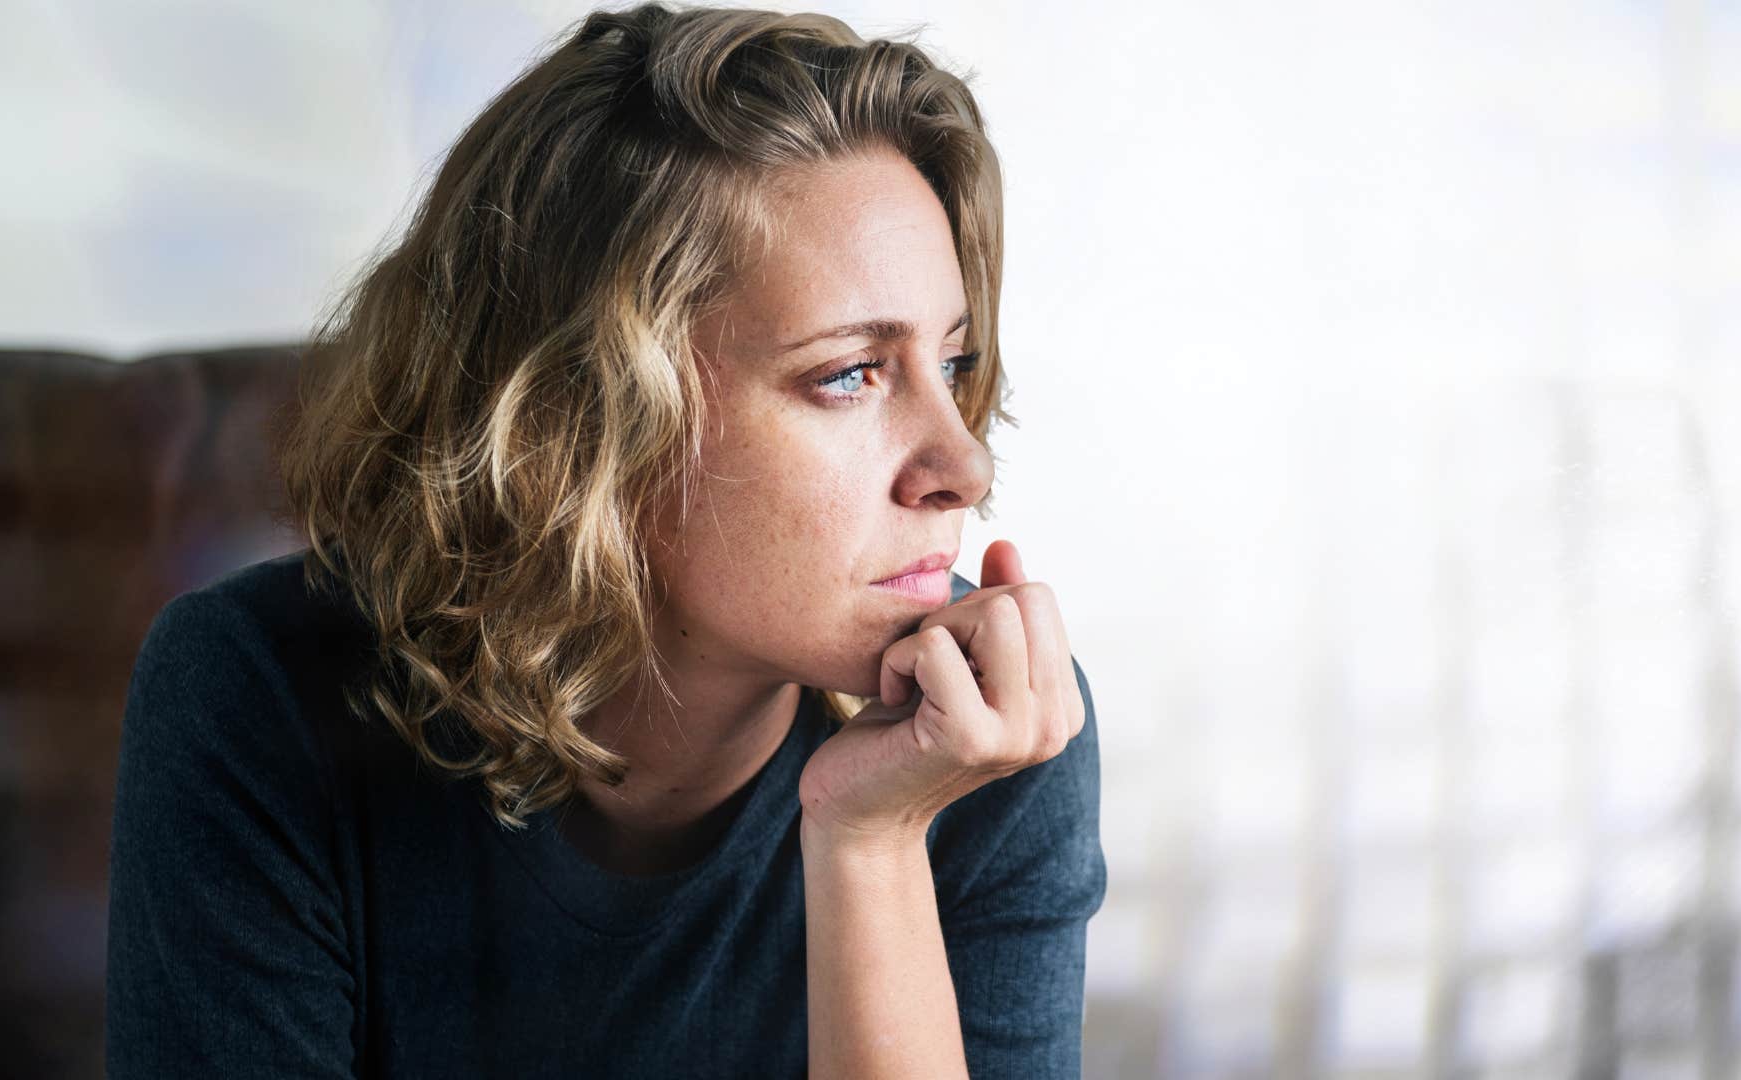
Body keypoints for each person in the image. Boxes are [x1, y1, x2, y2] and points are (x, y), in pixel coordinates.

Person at [104, 3, 1106, 1077]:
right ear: (584, 424)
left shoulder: (987, 741)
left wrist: (870, 843)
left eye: (950, 365)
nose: (965, 467)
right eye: (849, 374)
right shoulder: (256, 696)